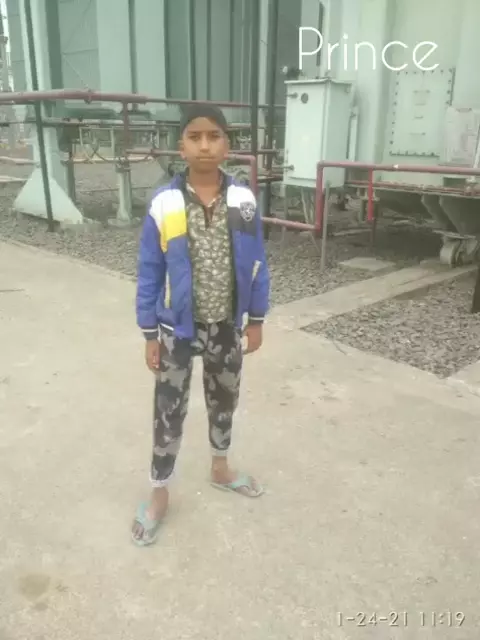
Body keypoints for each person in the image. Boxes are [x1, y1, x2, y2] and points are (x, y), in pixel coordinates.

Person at [131, 104, 270, 546]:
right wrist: (149, 331)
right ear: (181, 147)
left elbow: (257, 263)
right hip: (176, 330)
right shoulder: (165, 203)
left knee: (224, 397)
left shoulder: (243, 201)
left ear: (227, 145)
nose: (205, 145)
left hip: (226, 325)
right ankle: (159, 492)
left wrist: (256, 318)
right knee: (168, 409)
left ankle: (220, 468)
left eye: (214, 136)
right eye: (195, 137)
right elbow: (149, 271)